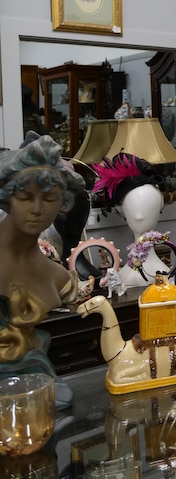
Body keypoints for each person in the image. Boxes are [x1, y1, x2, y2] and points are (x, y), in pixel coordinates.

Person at [0, 132, 87, 407]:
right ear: (6, 197)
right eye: (25, 197)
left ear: (63, 205)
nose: (37, 209)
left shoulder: (58, 277)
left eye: (49, 199)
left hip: (34, 403)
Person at [93, 153, 176, 288]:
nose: (139, 216)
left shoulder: (155, 271)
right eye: (133, 208)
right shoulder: (127, 273)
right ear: (123, 211)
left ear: (160, 208)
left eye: (148, 207)